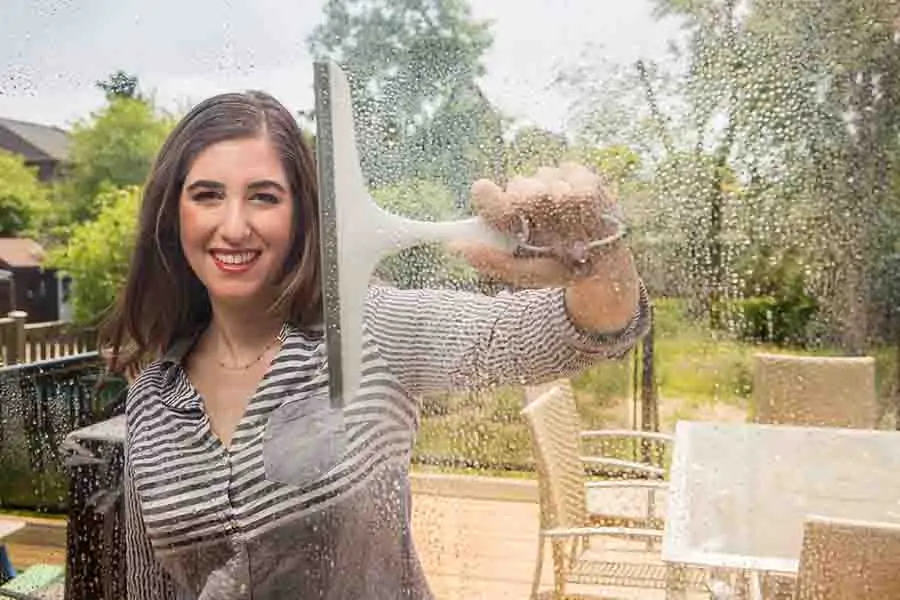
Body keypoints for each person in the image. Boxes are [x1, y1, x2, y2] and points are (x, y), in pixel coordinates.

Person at [101, 89, 650, 599]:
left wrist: (600, 258)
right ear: (174, 216)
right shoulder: (151, 398)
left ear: (303, 217)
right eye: (207, 196)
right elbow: (149, 586)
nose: (235, 225)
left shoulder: (368, 328)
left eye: (265, 197)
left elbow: (568, 334)